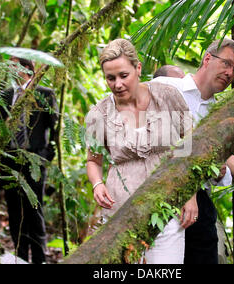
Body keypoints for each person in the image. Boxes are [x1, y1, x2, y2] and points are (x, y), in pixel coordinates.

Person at [151, 38, 234, 263]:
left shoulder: (219, 112)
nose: (230, 72)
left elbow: (219, 152)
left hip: (199, 203)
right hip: (160, 191)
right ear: (207, 59)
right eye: (226, 63)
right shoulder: (168, 87)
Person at [85, 39, 193, 263]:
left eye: (124, 75)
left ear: (138, 68)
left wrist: (190, 195)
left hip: (168, 205)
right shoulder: (99, 113)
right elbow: (93, 160)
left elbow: (189, 147)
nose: (117, 84)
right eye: (110, 78)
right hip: (122, 211)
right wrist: (97, 184)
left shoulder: (166, 96)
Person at [0, 57, 58, 264]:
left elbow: (55, 129)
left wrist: (46, 155)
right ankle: (20, 258)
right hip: (10, 160)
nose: (11, 71)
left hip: (34, 161)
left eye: (15, 67)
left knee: (34, 208)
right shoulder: (5, 96)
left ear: (28, 69)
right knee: (14, 210)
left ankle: (39, 259)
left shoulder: (45, 94)